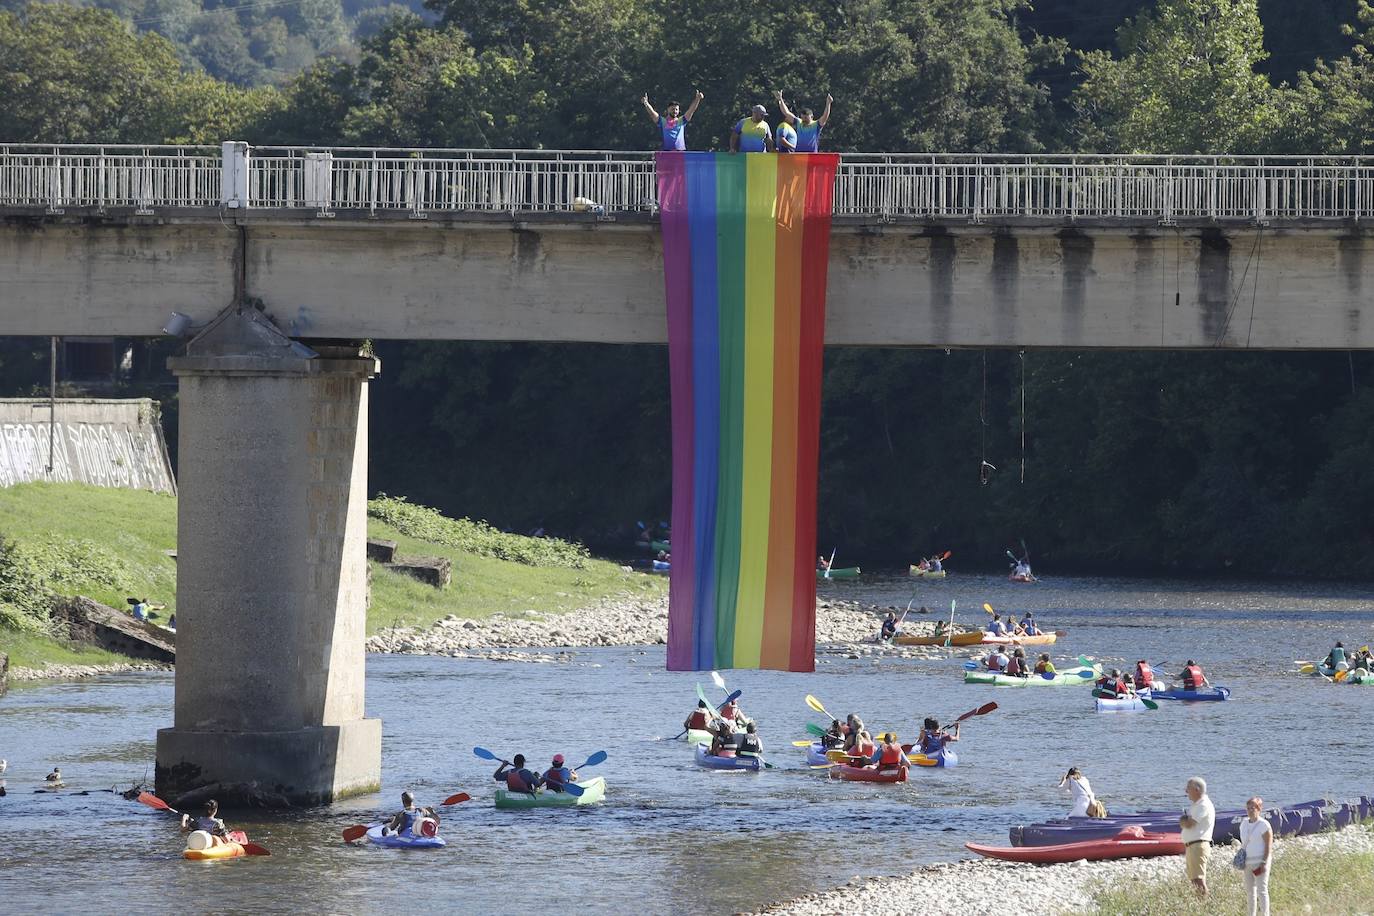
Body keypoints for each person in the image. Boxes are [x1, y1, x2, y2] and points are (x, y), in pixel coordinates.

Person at [1180, 776, 1216, 898]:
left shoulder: (1203, 805)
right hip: (1193, 845)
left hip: (1198, 845)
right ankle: (1200, 904)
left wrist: (1183, 820)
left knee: (1198, 880)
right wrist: (1185, 821)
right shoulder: (1197, 805)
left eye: (1188, 788)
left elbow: (1189, 824)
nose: (1186, 791)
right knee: (1194, 880)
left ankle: (1204, 906)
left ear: (1196, 790)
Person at [1239, 795, 1272, 916]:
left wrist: (1264, 862)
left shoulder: (1264, 825)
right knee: (1250, 891)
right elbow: (1244, 843)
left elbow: (1268, 845)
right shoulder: (1243, 824)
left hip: (1260, 861)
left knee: (1262, 890)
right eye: (1248, 808)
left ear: (1259, 808)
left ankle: (1265, 914)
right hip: (1247, 862)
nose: (1250, 811)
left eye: (1253, 808)